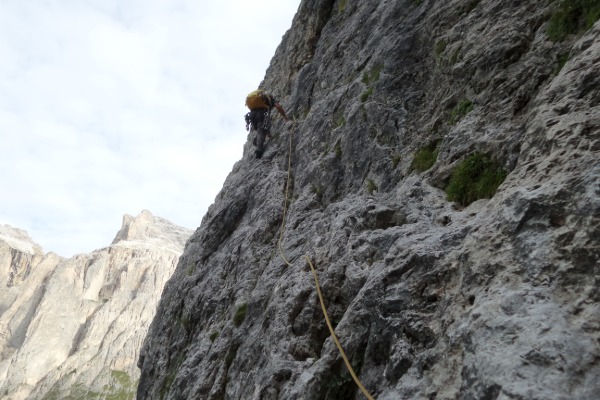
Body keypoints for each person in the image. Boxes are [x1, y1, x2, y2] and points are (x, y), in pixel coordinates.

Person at [245, 90, 289, 159]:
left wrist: (268, 134)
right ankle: (258, 152)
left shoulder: (260, 102)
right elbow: (278, 107)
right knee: (261, 131)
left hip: (251, 116)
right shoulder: (271, 100)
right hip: (260, 115)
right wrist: (285, 117)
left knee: (260, 130)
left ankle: (257, 141)